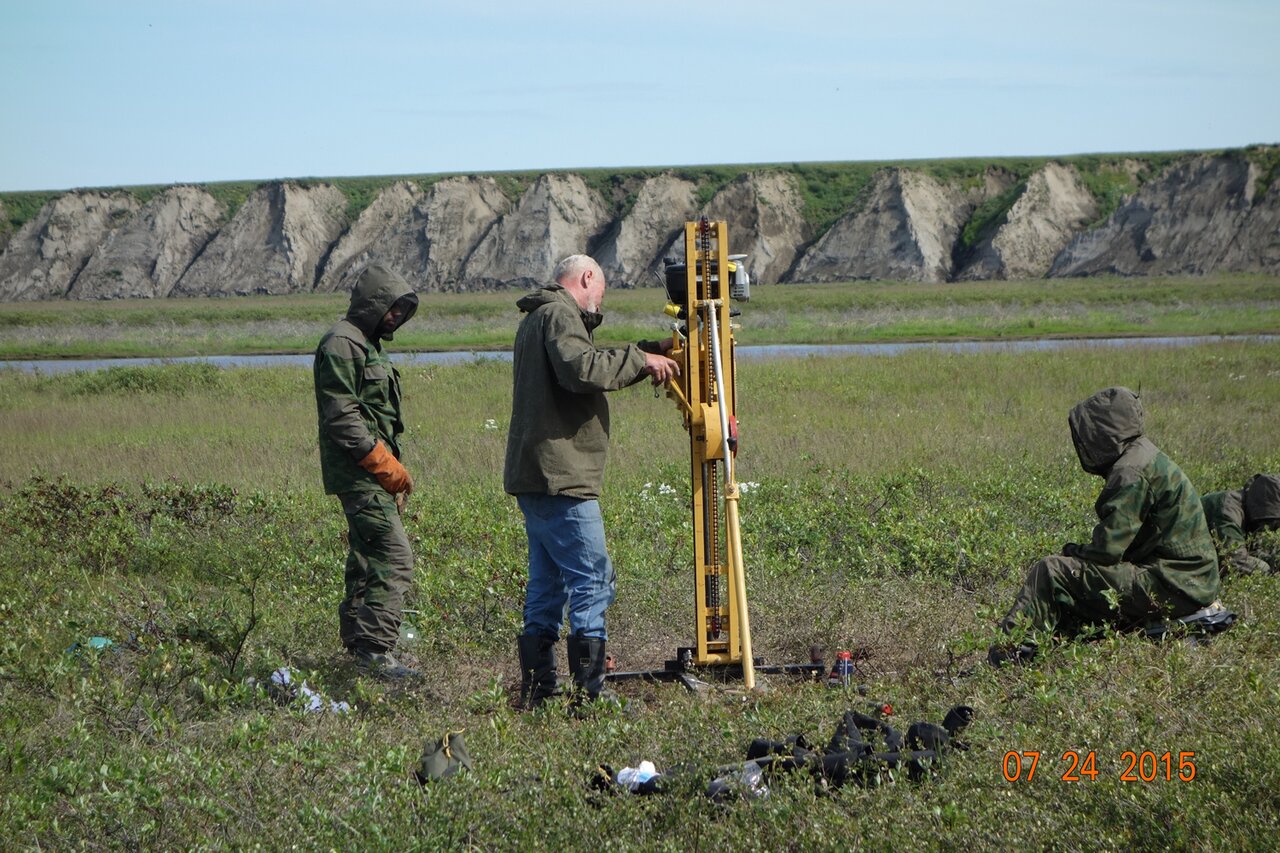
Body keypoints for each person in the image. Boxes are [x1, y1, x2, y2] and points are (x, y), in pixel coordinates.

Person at [504, 254, 679, 706]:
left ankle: (538, 694)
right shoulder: (561, 314)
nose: (599, 305)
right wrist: (641, 359)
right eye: (600, 293)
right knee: (593, 580)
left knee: (547, 587)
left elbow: (591, 356)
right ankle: (590, 697)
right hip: (563, 477)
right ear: (586, 278)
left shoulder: (538, 316)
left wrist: (648, 351)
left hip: (537, 477)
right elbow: (582, 369)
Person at [991, 387, 1221, 665]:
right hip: (1191, 581)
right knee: (1075, 576)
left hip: (1172, 584)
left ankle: (1004, 658)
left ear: (1101, 432)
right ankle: (1042, 654)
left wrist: (1072, 552)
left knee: (1051, 571)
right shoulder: (1145, 454)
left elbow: (1107, 551)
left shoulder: (1130, 471)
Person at [314, 264, 420, 679]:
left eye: (401, 309)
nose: (396, 316)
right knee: (394, 556)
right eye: (390, 307)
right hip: (359, 471)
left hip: (370, 472)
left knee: (365, 557)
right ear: (372, 303)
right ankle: (376, 652)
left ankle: (357, 649)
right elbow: (342, 416)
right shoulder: (342, 343)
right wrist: (382, 463)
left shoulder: (370, 344)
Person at [1202, 474, 1280, 576]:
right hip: (1182, 557)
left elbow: (1256, 550)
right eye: (1273, 523)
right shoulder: (1228, 511)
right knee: (1262, 568)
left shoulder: (1251, 510)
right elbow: (1233, 560)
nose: (1271, 528)